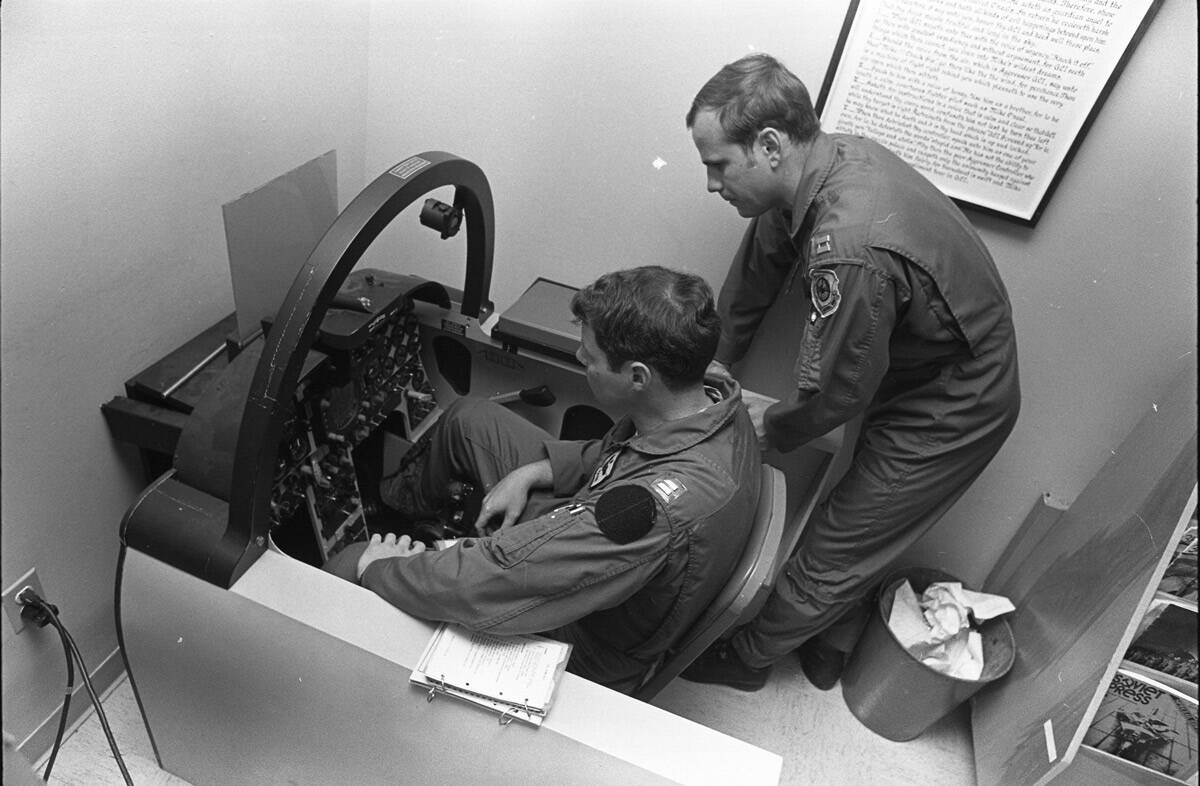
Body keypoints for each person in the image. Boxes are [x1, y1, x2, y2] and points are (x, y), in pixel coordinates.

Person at [679, 53, 1020, 692]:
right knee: (861, 509)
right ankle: (829, 636)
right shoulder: (812, 169)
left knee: (843, 537)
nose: (710, 183)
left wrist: (769, 427)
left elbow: (835, 391)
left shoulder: (850, 245)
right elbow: (750, 287)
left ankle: (749, 658)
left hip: (959, 396)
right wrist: (709, 374)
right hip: (918, 357)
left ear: (770, 146)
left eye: (717, 163)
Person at [325, 265, 762, 695]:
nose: (579, 359)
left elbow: (491, 581)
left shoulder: (650, 511)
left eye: (589, 358)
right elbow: (628, 453)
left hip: (589, 635)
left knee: (352, 561)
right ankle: (399, 504)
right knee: (468, 418)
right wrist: (536, 470)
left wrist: (379, 566)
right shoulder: (710, 396)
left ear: (637, 377)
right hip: (602, 524)